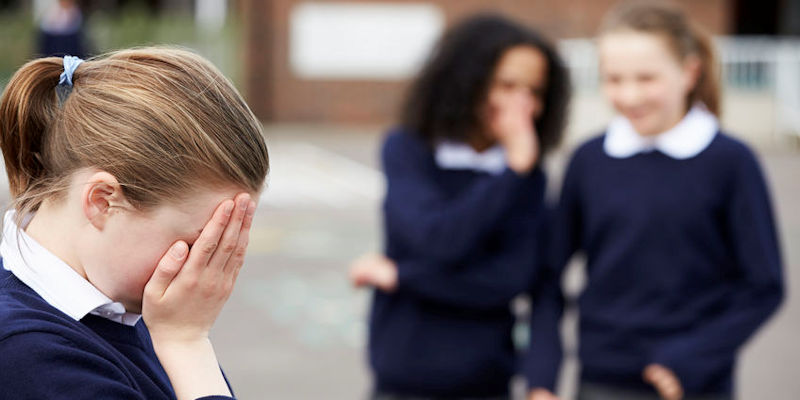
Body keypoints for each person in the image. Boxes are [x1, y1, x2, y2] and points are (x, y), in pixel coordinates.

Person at [526, 2, 784, 399]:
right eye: (614, 79)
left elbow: (764, 286)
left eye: (646, 78)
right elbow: (548, 276)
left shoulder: (731, 162)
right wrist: (541, 378)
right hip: (601, 380)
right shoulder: (588, 161)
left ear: (689, 72)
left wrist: (693, 357)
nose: (629, 95)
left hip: (693, 384)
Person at [0, 47, 269, 399]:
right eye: (198, 244)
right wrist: (186, 344)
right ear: (103, 201)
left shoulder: (123, 306)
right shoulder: (29, 357)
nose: (209, 273)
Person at [349, 14, 570, 399]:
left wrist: (401, 275)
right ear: (466, 81)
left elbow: (512, 280)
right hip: (404, 378)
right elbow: (438, 240)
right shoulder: (409, 150)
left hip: (486, 380)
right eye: (506, 85)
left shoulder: (528, 177)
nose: (522, 106)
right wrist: (512, 171)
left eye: (534, 92)